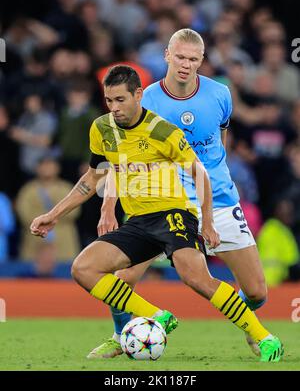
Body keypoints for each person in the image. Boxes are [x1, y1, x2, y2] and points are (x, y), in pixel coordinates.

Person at [30, 64, 283, 362]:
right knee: (83, 268)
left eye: (120, 100)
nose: (114, 108)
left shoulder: (163, 131)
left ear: (138, 95)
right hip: (139, 222)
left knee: (197, 278)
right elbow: (94, 176)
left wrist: (209, 222)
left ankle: (264, 337)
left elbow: (200, 176)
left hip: (174, 214)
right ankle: (157, 316)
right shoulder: (101, 128)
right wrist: (54, 214)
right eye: (109, 101)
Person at [92, 30, 274, 359]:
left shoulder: (220, 94)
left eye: (193, 59)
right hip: (166, 201)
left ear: (201, 61)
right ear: (167, 55)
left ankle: (247, 322)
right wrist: (109, 205)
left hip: (218, 197)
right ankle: (121, 335)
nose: (186, 65)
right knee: (123, 277)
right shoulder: (144, 98)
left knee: (257, 292)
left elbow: (219, 139)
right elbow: (122, 158)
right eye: (180, 57)